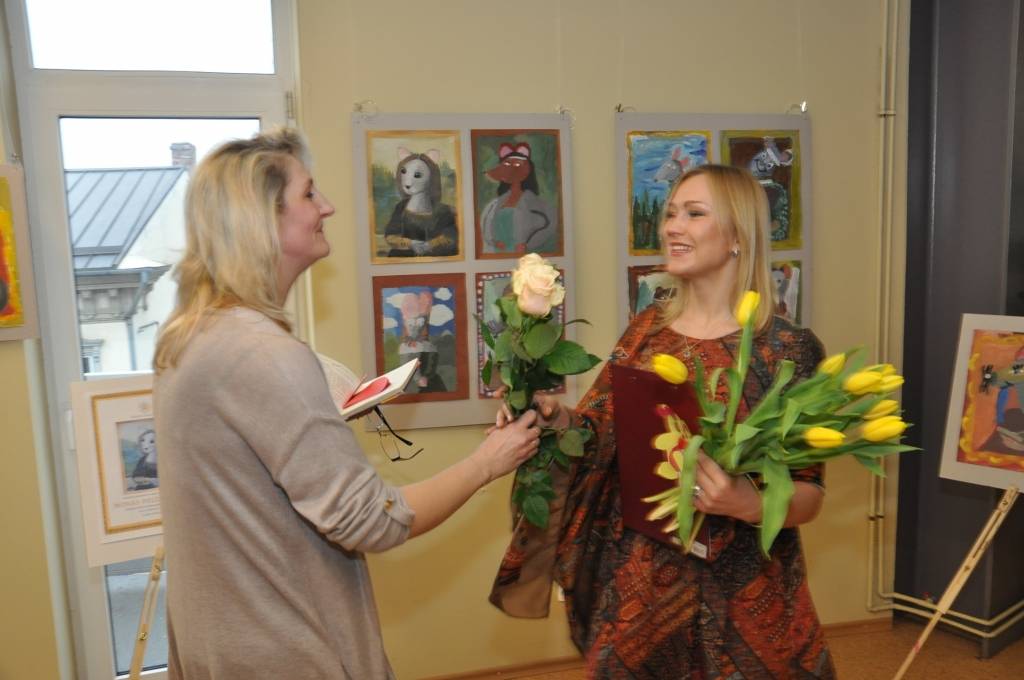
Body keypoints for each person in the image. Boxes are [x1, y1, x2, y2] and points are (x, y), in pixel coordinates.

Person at [153, 128, 541, 679]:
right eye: (309, 193)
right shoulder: (263, 354)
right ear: (263, 219)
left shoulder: (194, 334)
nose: (327, 207)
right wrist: (488, 462)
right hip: (284, 652)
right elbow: (372, 521)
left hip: (223, 644)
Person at [490, 164, 836, 678]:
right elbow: (599, 437)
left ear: (738, 236)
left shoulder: (788, 350)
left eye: (694, 214)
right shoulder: (648, 329)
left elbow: (809, 494)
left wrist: (747, 502)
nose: (672, 226)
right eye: (671, 213)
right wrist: (554, 417)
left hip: (746, 596)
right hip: (645, 585)